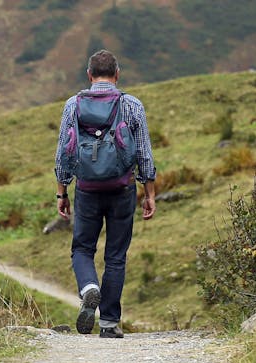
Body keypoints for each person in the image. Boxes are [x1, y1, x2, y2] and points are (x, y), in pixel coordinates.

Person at [54, 49, 156, 338]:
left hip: (86, 189)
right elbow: (144, 154)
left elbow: (63, 152)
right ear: (117, 74)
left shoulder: (72, 105)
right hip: (122, 188)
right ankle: (109, 323)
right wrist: (149, 192)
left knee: (82, 248)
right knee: (116, 255)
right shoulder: (132, 105)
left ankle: (89, 287)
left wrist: (62, 192)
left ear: (89, 75)